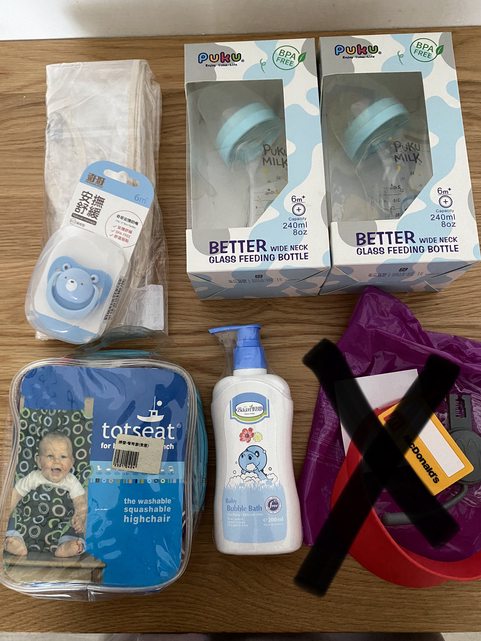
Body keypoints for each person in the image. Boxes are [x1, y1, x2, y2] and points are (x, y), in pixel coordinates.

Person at [5, 431, 87, 557]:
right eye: (50, 456)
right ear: (38, 461)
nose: (56, 461)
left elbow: (80, 502)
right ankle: (15, 542)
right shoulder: (33, 478)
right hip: (28, 526)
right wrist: (3, 516)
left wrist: (80, 517)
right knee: (13, 521)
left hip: (59, 528)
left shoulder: (72, 481)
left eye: (63, 457)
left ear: (71, 462)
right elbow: (15, 495)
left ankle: (66, 546)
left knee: (75, 529)